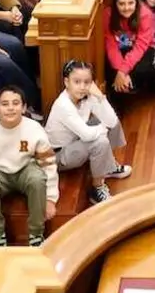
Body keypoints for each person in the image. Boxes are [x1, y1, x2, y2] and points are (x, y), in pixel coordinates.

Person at [0, 86, 58, 250]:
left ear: (24, 108)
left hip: (26, 168)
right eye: (4, 104)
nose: (10, 108)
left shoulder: (34, 129)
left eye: (16, 103)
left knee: (37, 179)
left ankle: (36, 235)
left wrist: (51, 199)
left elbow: (49, 165)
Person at [46, 60, 132, 205]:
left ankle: (108, 166)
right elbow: (87, 135)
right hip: (59, 155)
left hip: (76, 140)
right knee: (100, 140)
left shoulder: (89, 96)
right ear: (66, 82)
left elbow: (112, 121)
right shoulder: (63, 105)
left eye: (87, 82)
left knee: (107, 124)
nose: (82, 87)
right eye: (77, 82)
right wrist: (102, 130)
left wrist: (100, 97)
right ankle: (97, 189)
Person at [105, 0, 155, 97]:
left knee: (141, 70)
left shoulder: (145, 14)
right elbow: (111, 46)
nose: (126, 7)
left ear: (136, 3)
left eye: (130, 3)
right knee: (111, 73)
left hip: (145, 47)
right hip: (122, 46)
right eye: (121, 4)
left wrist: (123, 71)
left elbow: (140, 46)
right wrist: (120, 72)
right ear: (115, 4)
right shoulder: (107, 14)